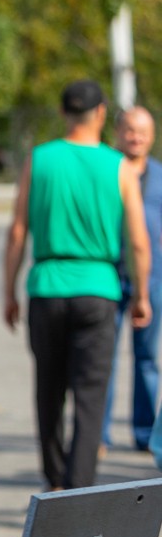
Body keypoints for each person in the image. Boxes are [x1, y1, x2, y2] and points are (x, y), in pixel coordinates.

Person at [3, 79, 151, 491]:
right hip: (99, 287)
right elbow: (138, 240)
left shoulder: (40, 158)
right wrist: (140, 296)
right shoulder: (118, 165)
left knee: (48, 393)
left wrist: (8, 292)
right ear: (102, 113)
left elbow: (18, 231)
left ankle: (54, 483)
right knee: (90, 398)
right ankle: (80, 491)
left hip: (47, 286)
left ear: (64, 113)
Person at [103, 107, 162, 453]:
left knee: (147, 359)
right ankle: (100, 435)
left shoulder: (159, 175)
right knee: (103, 360)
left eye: (142, 131)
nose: (135, 137)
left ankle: (144, 433)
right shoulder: (106, 170)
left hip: (152, 279)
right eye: (129, 130)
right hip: (110, 275)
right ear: (117, 132)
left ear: (152, 136)